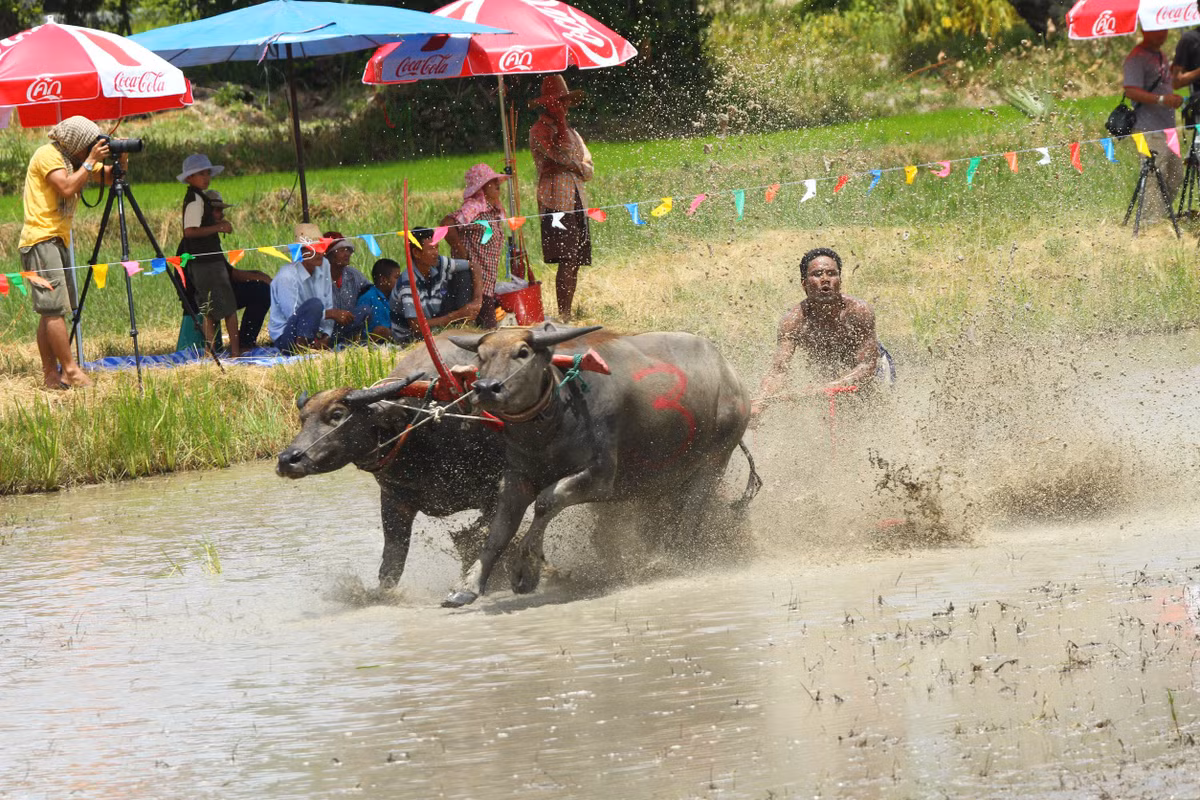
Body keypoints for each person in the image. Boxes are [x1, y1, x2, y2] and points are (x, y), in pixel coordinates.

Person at [19, 116, 122, 389]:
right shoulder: (48, 155)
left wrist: (121, 156)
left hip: (58, 239)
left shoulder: (75, 160)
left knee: (51, 311)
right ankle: (70, 370)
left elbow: (110, 177)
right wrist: (90, 161)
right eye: (87, 146)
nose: (90, 151)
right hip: (41, 238)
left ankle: (51, 376)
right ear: (76, 144)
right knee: (55, 310)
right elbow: (66, 186)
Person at [752, 248, 891, 418]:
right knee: (832, 416)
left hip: (873, 368)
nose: (825, 280)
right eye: (817, 274)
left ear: (840, 280)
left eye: (832, 274)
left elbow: (867, 365)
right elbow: (779, 370)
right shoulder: (793, 321)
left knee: (874, 412)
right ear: (804, 284)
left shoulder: (858, 311)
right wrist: (761, 401)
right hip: (829, 371)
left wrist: (830, 386)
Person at [529, 73, 594, 320]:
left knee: (576, 257)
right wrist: (574, 164)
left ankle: (568, 312)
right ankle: (564, 314)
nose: (563, 106)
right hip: (555, 203)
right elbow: (556, 158)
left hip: (577, 200)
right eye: (559, 101)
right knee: (566, 257)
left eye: (565, 101)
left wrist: (573, 165)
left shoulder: (573, 133)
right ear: (548, 104)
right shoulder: (539, 131)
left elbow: (588, 168)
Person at [177, 153, 241, 357]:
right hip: (207, 261)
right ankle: (235, 351)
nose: (206, 177)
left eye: (207, 173)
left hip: (201, 262)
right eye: (200, 174)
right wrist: (218, 227)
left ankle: (211, 351)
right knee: (228, 307)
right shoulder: (196, 201)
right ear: (189, 178)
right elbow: (190, 231)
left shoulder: (196, 198)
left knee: (208, 308)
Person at [1124, 28, 1184, 219]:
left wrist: (1172, 97)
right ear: (1145, 30)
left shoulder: (1161, 55)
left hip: (1166, 128)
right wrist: (1161, 100)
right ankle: (1151, 224)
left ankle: (1161, 216)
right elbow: (1130, 91)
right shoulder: (1136, 58)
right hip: (1144, 129)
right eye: (1158, 31)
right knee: (1153, 175)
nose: (1163, 35)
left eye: (1165, 30)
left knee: (1175, 173)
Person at [268, 223, 355, 353]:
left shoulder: (324, 265)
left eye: (321, 247)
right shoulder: (286, 277)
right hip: (288, 336)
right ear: (302, 252)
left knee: (362, 312)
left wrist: (326, 335)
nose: (319, 253)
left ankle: (317, 344)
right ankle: (304, 347)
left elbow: (328, 302)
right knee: (315, 304)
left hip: (316, 330)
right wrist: (330, 314)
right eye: (313, 248)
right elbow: (293, 316)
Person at [205, 190, 272, 349]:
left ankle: (243, 342)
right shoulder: (203, 238)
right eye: (217, 210)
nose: (221, 215)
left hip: (218, 286)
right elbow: (229, 275)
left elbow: (226, 270)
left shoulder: (211, 236)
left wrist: (256, 274)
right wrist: (259, 277)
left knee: (259, 285)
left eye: (221, 211)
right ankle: (242, 345)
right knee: (261, 290)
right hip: (209, 292)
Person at [391, 226, 477, 341]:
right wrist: (455, 316)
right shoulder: (407, 283)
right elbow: (416, 327)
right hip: (411, 338)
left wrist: (477, 300)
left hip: (434, 323)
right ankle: (460, 322)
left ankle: (463, 325)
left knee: (464, 274)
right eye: (431, 249)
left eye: (437, 248)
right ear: (416, 253)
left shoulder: (438, 263)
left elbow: (474, 266)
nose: (436, 253)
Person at [441, 163, 500, 328]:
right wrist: (460, 249)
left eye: (497, 180)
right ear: (481, 187)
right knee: (487, 332)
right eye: (492, 181)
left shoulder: (491, 211)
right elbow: (446, 225)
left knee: (485, 330)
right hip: (472, 282)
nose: (497, 184)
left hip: (485, 284)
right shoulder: (474, 208)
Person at [322, 230, 372, 340]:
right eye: (341, 250)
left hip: (347, 327)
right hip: (322, 331)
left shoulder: (353, 275)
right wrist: (333, 314)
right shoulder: (318, 278)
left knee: (365, 309)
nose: (347, 254)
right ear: (328, 254)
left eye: (348, 250)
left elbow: (371, 291)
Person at [357, 258, 402, 342]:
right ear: (384, 280)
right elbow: (357, 331)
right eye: (397, 278)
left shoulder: (396, 297)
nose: (400, 282)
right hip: (370, 345)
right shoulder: (368, 298)